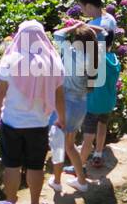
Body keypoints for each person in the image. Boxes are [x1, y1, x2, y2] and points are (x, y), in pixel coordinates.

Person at [0, 21, 67, 204]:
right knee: (35, 166)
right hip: (38, 124)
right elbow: (59, 95)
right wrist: (62, 118)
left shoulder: (10, 60)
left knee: (11, 166)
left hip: (11, 122)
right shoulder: (53, 61)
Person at [49, 23, 96, 194]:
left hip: (65, 104)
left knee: (58, 145)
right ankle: (81, 182)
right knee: (70, 145)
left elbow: (58, 33)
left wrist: (75, 24)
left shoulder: (71, 53)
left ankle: (56, 181)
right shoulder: (93, 58)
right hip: (81, 105)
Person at [84, 27, 120, 169]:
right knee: (102, 126)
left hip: (93, 104)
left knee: (88, 136)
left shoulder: (97, 58)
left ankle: (80, 165)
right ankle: (98, 154)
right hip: (108, 103)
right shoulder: (114, 59)